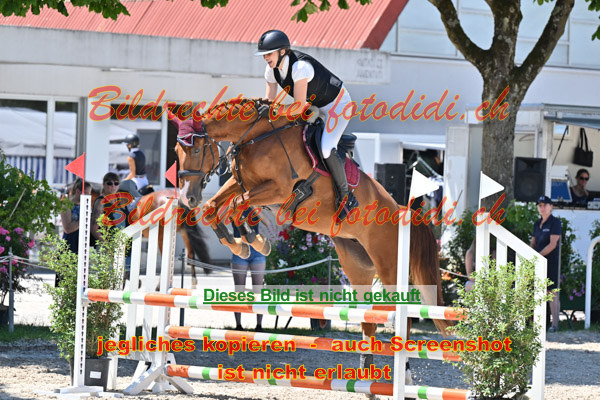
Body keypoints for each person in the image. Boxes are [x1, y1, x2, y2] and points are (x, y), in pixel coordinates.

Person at [255, 29, 358, 219]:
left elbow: (298, 106)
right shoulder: (271, 70)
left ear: (282, 51)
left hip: (338, 106)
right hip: (316, 106)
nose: (266, 58)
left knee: (326, 148)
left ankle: (346, 197)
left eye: (269, 53)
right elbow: (269, 103)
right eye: (264, 54)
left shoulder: (300, 67)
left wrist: (275, 111)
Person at [530, 195, 562, 332]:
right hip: (538, 262)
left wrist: (538, 256)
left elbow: (553, 244)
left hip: (551, 262)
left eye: (545, 205)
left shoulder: (555, 223)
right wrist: (530, 256)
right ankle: (537, 323)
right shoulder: (537, 223)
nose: (542, 208)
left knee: (551, 292)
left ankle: (555, 324)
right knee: (536, 291)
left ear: (551, 206)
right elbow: (533, 243)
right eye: (540, 205)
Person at [231, 209, 265, 332]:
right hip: (240, 249)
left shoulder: (255, 207)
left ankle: (259, 325)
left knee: (258, 290)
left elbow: (267, 221)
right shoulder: (233, 207)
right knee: (239, 289)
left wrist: (256, 207)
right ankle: (238, 325)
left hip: (257, 250)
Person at [58, 179, 95, 286]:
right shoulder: (66, 205)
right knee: (66, 282)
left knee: (82, 282)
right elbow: (67, 228)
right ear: (78, 191)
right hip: (70, 243)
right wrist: (84, 218)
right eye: (87, 193)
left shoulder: (86, 206)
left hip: (83, 243)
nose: (89, 196)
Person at [91, 172, 121, 241]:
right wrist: (106, 243)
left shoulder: (119, 200)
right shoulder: (100, 202)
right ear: (104, 184)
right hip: (106, 243)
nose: (113, 186)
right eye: (109, 183)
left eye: (116, 183)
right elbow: (94, 228)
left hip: (119, 241)